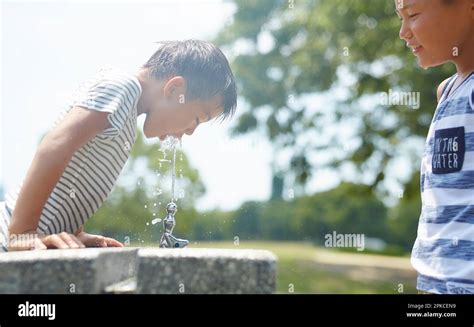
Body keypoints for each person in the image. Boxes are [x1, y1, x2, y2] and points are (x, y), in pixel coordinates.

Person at [0, 40, 237, 252]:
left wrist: (75, 231)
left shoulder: (125, 118)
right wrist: (23, 232)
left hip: (32, 241)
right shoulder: (123, 88)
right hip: (7, 237)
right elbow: (55, 146)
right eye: (197, 119)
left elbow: (79, 169)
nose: (190, 131)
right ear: (175, 89)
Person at [396, 0, 473, 293]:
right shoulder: (448, 91)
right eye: (400, 18)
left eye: (413, 15)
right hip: (435, 280)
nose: (404, 32)